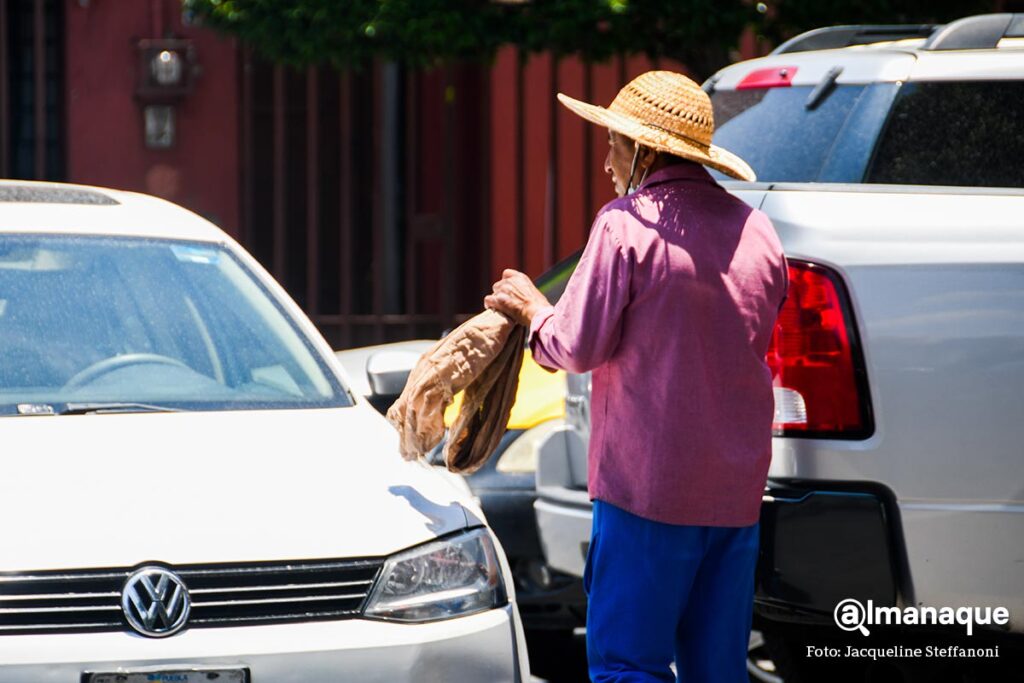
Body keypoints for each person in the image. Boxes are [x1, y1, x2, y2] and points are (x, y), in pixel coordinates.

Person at [484, 71, 788, 682]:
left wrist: (530, 308)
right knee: (717, 670)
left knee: (629, 666)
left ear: (645, 150)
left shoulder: (625, 225)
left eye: (615, 143)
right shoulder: (758, 231)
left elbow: (574, 345)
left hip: (648, 493)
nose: (606, 161)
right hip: (734, 497)